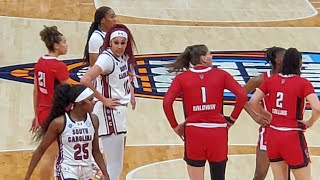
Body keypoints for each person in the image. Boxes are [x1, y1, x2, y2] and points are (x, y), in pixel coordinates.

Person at [162, 44, 248, 180]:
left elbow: (167, 103)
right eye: (209, 54)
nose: (211, 56)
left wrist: (175, 126)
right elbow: (242, 95)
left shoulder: (182, 78)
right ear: (203, 58)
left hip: (194, 133)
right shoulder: (221, 74)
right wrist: (231, 119)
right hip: (218, 132)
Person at [248, 48, 320, 180]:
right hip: (292, 135)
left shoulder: (271, 80)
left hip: (273, 135)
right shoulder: (303, 83)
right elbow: (317, 107)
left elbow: (253, 101)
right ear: (299, 63)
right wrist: (310, 122)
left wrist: (268, 116)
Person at [80, 24, 137, 180]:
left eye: (122, 43)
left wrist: (130, 92)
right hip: (110, 113)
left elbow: (125, 76)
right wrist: (103, 99)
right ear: (110, 42)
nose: (119, 46)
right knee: (114, 165)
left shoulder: (124, 57)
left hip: (118, 112)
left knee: (113, 164)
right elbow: (85, 79)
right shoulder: (106, 58)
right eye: (116, 42)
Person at [25, 84, 109, 180]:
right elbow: (41, 149)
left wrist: (106, 174)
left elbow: (96, 151)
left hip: (86, 170)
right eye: (90, 100)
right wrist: (27, 176)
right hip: (67, 169)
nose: (94, 102)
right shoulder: (60, 122)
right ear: (80, 103)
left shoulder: (94, 120)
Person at [31, 25, 70, 180]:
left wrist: (36, 115)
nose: (67, 45)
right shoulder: (58, 66)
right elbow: (70, 91)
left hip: (42, 113)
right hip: (54, 114)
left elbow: (35, 92)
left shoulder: (40, 62)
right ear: (56, 46)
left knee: (51, 154)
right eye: (64, 42)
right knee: (51, 155)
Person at [83, 6, 116, 178]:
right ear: (102, 20)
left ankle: (98, 168)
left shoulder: (109, 35)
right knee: (97, 129)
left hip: (107, 88)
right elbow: (95, 66)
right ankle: (94, 168)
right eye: (112, 16)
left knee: (104, 130)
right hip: (97, 89)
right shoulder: (96, 38)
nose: (115, 19)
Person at [244, 46, 286, 180]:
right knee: (260, 175)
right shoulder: (261, 79)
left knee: (284, 176)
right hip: (269, 131)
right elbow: (240, 96)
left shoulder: (292, 78)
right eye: (284, 56)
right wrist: (255, 115)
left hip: (287, 131)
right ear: (277, 60)